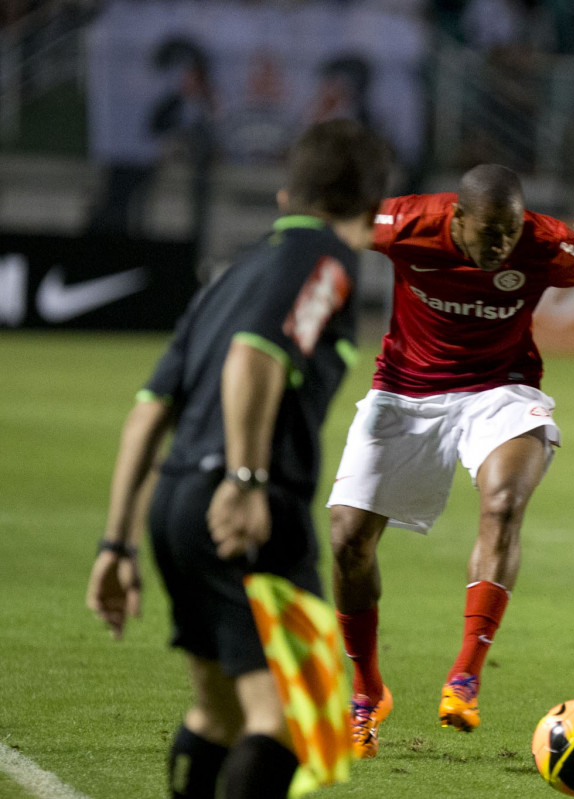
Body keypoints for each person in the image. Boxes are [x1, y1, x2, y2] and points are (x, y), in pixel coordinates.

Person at [327, 163, 574, 752]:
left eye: (510, 233)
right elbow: (329, 229)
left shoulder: (543, 243)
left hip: (502, 391)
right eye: (489, 233)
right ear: (457, 219)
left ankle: (465, 676)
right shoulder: (407, 223)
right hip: (405, 391)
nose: (501, 246)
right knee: (346, 539)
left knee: (502, 503)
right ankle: (367, 691)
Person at [85, 119, 394, 798]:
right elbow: (254, 356)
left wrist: (118, 539)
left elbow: (148, 412)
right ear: (374, 209)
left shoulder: (230, 276)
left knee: (220, 714)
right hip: (249, 510)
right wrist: (245, 480)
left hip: (176, 506)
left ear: (287, 194)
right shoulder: (327, 263)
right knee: (294, 719)